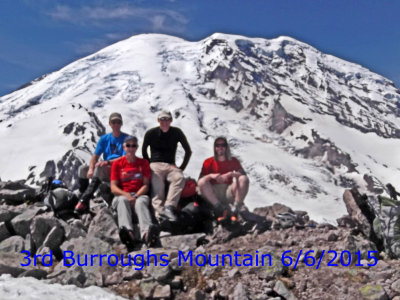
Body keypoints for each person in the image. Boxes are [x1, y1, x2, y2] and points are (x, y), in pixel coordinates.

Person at [142, 110, 192, 222]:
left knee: (179, 177)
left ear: (171, 120)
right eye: (162, 119)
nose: (164, 122)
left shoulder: (177, 132)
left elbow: (188, 151)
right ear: (158, 120)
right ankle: (160, 214)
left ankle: (170, 206)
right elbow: (144, 150)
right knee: (157, 186)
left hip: (171, 165)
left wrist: (181, 168)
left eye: (167, 119)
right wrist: (149, 163)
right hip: (155, 164)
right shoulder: (151, 133)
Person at [110, 135, 159, 249]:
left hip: (139, 194)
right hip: (122, 195)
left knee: (141, 202)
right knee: (122, 200)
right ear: (124, 147)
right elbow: (113, 187)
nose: (130, 148)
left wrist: (136, 196)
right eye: (128, 145)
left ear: (137, 147)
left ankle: (147, 235)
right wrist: (127, 195)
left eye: (133, 146)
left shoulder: (143, 163)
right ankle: (128, 234)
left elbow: (146, 185)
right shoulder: (117, 164)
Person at [75, 112, 128, 213]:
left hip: (119, 168)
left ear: (121, 124)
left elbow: (125, 159)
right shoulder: (105, 139)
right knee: (82, 169)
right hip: (105, 166)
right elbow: (95, 157)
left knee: (99, 167)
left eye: (118, 122)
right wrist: (90, 169)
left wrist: (107, 162)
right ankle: (84, 200)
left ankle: (83, 201)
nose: (116, 124)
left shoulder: (126, 139)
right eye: (113, 122)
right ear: (110, 124)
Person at [197, 136, 249, 222]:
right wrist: (211, 176)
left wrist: (230, 174)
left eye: (223, 145)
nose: (220, 148)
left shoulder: (233, 160)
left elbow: (243, 174)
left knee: (243, 179)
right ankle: (218, 208)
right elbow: (200, 181)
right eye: (218, 145)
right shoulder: (208, 162)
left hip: (228, 191)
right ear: (214, 148)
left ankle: (235, 208)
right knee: (203, 182)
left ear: (226, 147)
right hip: (213, 193)